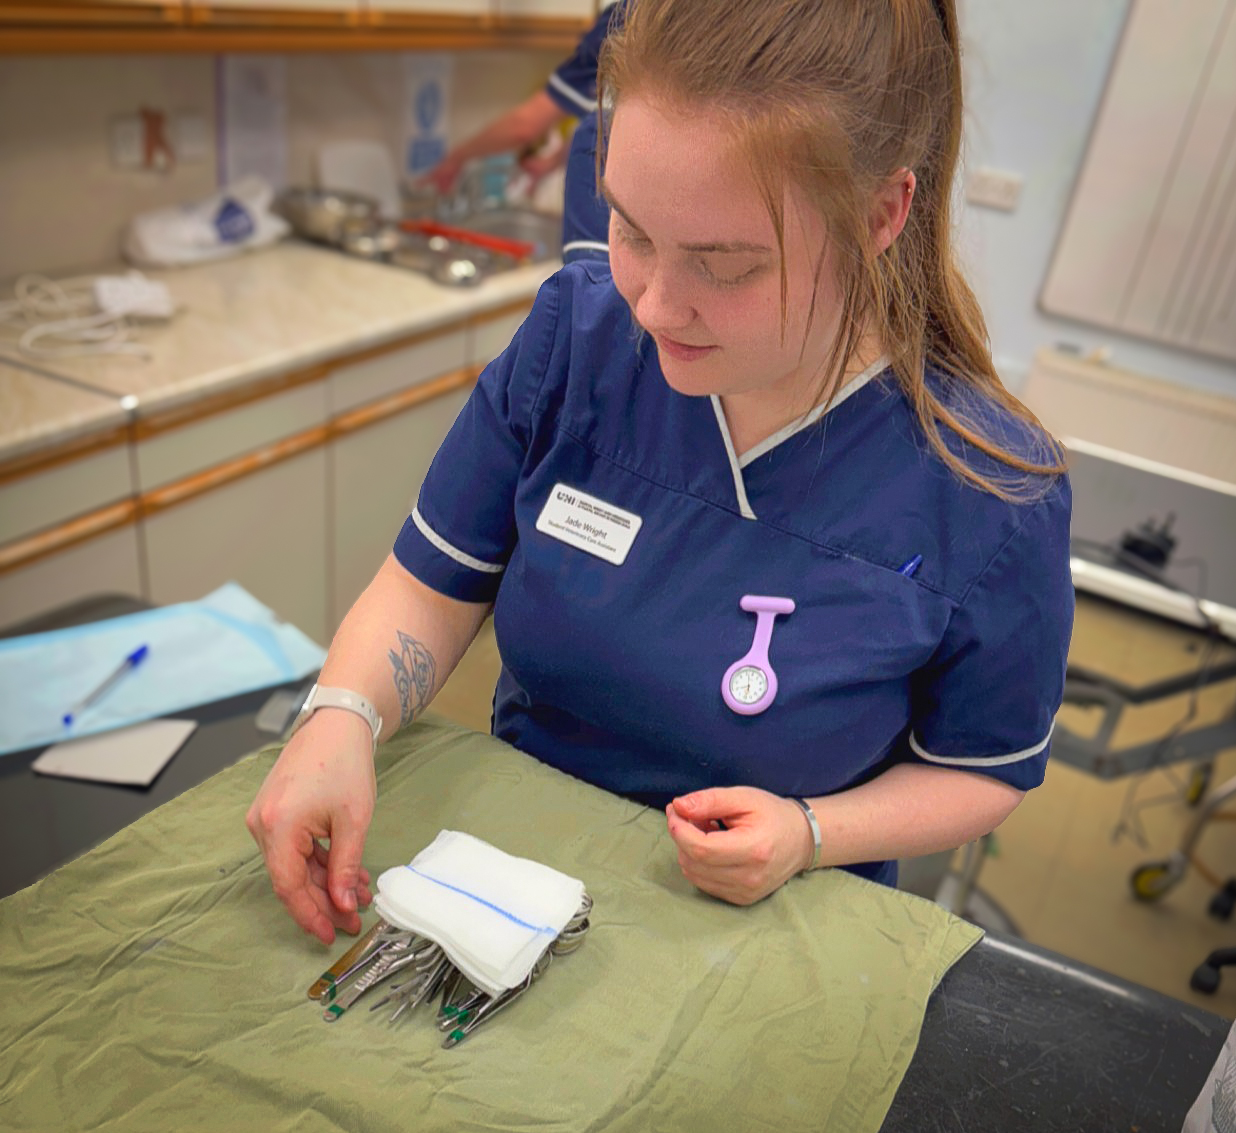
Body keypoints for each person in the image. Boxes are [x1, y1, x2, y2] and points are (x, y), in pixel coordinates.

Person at [248, 0, 1074, 945]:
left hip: (764, 931)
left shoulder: (991, 491)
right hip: (504, 891)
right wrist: (342, 717)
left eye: (725, 267)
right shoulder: (576, 337)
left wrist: (811, 832)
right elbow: (430, 585)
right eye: (631, 230)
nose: (652, 305)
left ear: (882, 213)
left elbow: (983, 769)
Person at [423, 3, 626, 262]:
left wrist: (456, 158)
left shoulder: (622, 18)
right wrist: (551, 162)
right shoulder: (669, 15)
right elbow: (611, 117)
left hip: (601, 234)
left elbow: (525, 126)